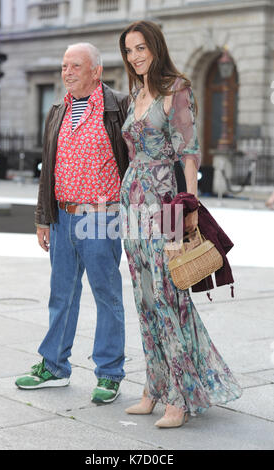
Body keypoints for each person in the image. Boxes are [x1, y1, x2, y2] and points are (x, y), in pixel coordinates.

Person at [119, 21, 242, 428]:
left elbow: (189, 151)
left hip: (165, 203)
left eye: (141, 48)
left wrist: (189, 203)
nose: (135, 56)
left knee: (170, 297)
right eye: (129, 50)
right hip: (131, 206)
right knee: (144, 297)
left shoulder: (177, 89)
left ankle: (181, 393)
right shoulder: (136, 93)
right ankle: (154, 387)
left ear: (155, 47)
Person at [15, 43, 129, 404]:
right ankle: (54, 366)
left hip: (100, 217)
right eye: (65, 66)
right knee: (61, 295)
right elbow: (48, 169)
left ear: (96, 71)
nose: (67, 72)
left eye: (75, 66)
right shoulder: (57, 109)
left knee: (107, 296)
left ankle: (109, 373)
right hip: (62, 216)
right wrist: (43, 219)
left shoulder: (118, 108)